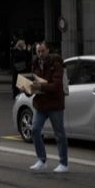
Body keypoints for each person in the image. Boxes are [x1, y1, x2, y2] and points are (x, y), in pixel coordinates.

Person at [29, 43, 68, 173]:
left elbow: (56, 86)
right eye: (38, 51)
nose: (40, 54)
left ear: (48, 50)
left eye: (43, 51)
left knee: (59, 133)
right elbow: (34, 83)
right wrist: (26, 88)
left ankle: (63, 163)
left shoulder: (56, 64)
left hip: (54, 104)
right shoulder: (35, 63)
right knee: (35, 129)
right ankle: (41, 159)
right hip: (41, 103)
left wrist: (40, 86)